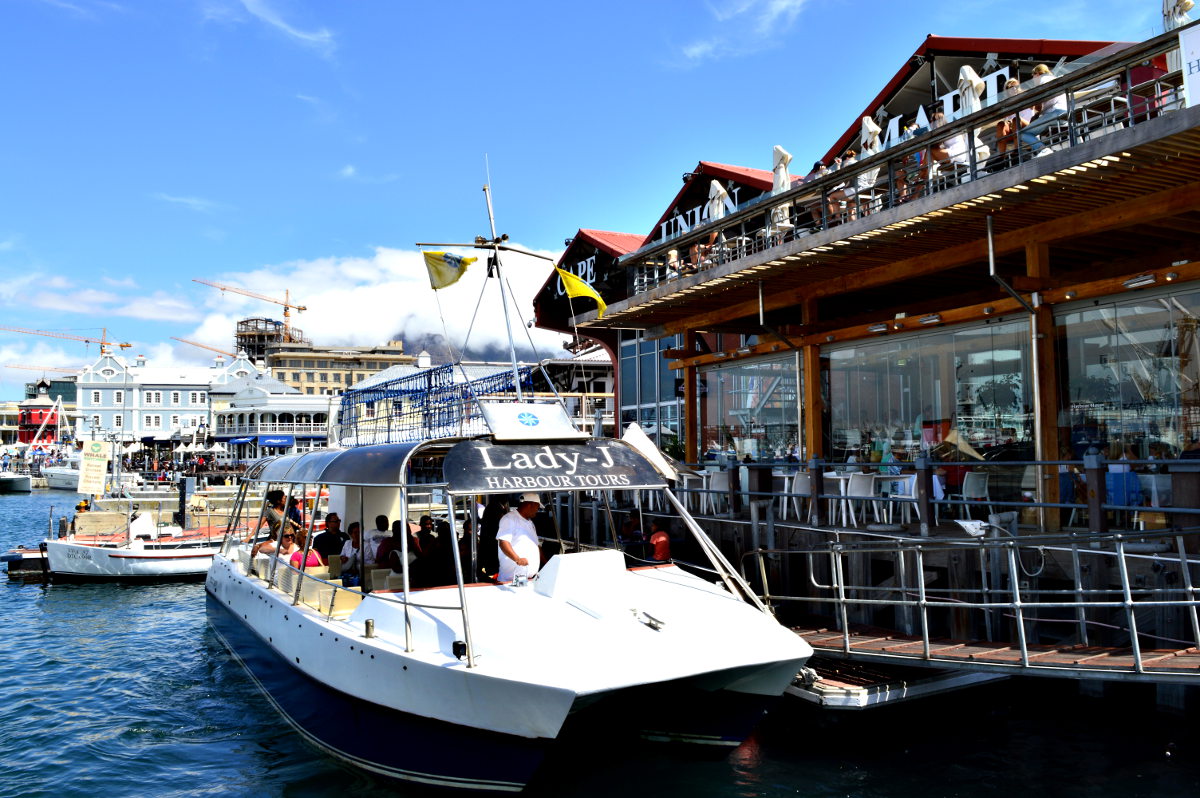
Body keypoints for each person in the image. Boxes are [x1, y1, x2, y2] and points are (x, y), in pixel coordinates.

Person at [1018, 64, 1067, 154]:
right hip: (1065, 112)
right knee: (1036, 128)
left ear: (1037, 74)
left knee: (1023, 133)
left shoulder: (1043, 79)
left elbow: (1042, 98)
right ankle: (1041, 149)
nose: (1033, 79)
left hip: (1054, 113)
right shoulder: (1053, 78)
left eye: (1033, 76)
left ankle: (1043, 149)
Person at [496, 493, 543, 583]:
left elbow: (536, 546)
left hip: (530, 578)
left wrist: (547, 563)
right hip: (512, 580)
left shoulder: (530, 523)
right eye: (537, 507)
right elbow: (503, 542)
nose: (537, 510)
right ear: (530, 505)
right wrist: (518, 559)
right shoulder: (509, 519)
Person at [478, 497, 508, 578]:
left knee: (490, 559)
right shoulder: (496, 507)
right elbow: (497, 523)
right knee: (492, 560)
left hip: (489, 538)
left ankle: (491, 572)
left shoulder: (493, 506)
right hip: (492, 539)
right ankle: (492, 574)